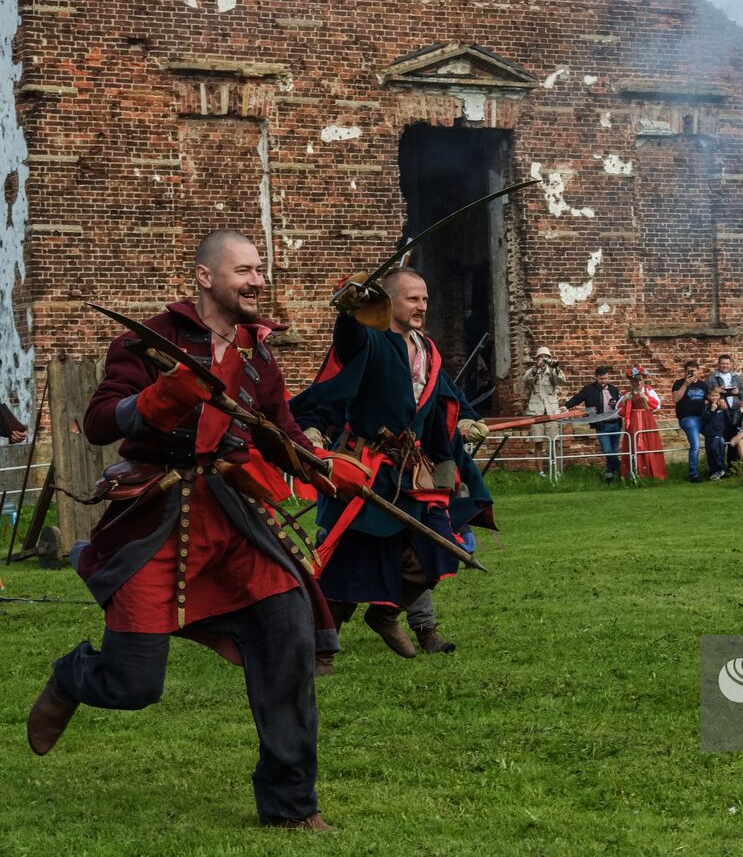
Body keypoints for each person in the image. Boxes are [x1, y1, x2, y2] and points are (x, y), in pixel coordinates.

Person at [29, 230, 345, 829]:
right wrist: (155, 400)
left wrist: (324, 467)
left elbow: (279, 431)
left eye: (259, 270)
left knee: (288, 640)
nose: (257, 281)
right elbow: (98, 423)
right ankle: (73, 676)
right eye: (244, 271)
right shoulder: (151, 341)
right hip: (156, 517)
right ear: (205, 278)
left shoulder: (259, 353)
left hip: (232, 519)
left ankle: (291, 805)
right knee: (133, 683)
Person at [292, 267, 490, 667]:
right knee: (347, 562)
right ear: (389, 303)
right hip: (364, 469)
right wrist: (348, 314)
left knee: (438, 548)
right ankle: (321, 649)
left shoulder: (428, 351)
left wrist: (466, 419)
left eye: (426, 299)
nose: (422, 306)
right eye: (412, 299)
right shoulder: (372, 341)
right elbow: (346, 343)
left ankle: (385, 613)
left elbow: (445, 396)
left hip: (409, 474)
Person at [563, 365, 623, 481]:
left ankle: (609, 476)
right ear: (596, 377)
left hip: (615, 423)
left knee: (614, 451)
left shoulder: (613, 389)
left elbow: (620, 404)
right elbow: (577, 398)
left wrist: (615, 403)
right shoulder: (589, 390)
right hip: (601, 425)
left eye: (605, 378)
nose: (603, 381)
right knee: (608, 451)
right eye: (601, 379)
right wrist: (566, 406)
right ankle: (622, 469)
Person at [522, 347, 565, 476]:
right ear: (537, 358)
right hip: (536, 411)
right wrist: (536, 369)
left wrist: (556, 368)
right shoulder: (532, 371)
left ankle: (556, 471)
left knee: (555, 442)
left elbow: (561, 381)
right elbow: (526, 381)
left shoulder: (552, 371)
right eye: (542, 356)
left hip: (551, 411)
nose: (544, 359)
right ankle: (540, 471)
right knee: (538, 442)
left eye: (546, 356)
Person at [618, 366, 666, 479]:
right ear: (631, 381)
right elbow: (619, 409)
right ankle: (634, 473)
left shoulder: (648, 390)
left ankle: (651, 473)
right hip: (633, 420)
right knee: (633, 443)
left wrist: (647, 398)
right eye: (636, 381)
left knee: (650, 443)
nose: (638, 383)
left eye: (640, 380)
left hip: (646, 420)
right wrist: (624, 400)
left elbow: (657, 405)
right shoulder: (628, 392)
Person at [671, 360, 708, 483]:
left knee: (716, 439)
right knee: (696, 445)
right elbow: (676, 399)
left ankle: (715, 469)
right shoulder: (679, 383)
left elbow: (711, 398)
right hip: (688, 418)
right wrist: (685, 385)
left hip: (703, 417)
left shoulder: (703, 385)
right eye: (688, 372)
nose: (691, 374)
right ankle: (694, 474)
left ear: (698, 372)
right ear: (685, 372)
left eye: (693, 371)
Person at [705, 353, 743, 444]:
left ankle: (733, 459)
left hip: (736, 411)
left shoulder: (736, 377)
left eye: (727, 363)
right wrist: (717, 393)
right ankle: (720, 458)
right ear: (718, 364)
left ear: (731, 364)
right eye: (723, 363)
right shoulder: (711, 378)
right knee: (721, 439)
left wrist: (738, 392)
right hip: (720, 412)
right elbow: (706, 395)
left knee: (734, 439)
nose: (725, 366)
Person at [701, 386, 729, 480]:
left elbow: (726, 419)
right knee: (710, 452)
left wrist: (723, 430)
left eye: (716, 395)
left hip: (718, 433)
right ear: (708, 396)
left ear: (719, 396)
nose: (714, 397)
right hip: (709, 433)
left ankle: (721, 469)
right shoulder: (706, 407)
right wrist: (712, 410)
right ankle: (713, 473)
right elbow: (704, 419)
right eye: (712, 395)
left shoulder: (722, 406)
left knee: (716, 449)